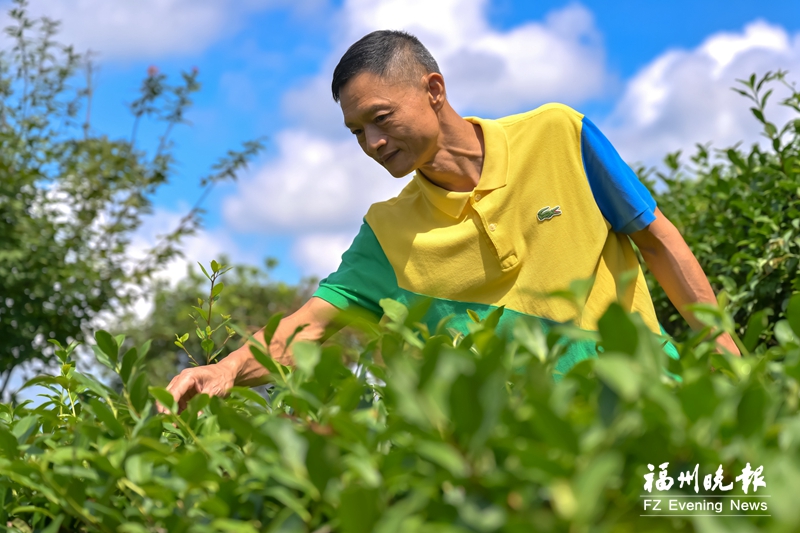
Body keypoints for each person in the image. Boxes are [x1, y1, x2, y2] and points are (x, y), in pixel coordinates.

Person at [164, 30, 739, 412]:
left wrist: (723, 349)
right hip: (537, 459)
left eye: (381, 117)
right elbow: (309, 326)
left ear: (433, 90)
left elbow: (656, 240)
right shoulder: (387, 233)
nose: (371, 142)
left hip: (655, 406)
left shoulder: (559, 134)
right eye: (357, 131)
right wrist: (227, 369)